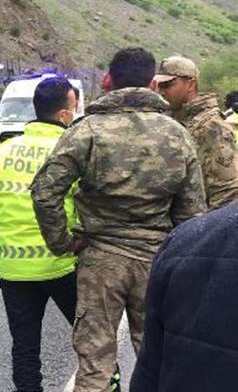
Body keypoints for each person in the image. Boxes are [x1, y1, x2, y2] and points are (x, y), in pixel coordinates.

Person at [30, 48, 207, 392]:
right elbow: (192, 213)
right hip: (157, 262)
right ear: (152, 82)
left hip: (99, 261)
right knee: (159, 360)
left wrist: (63, 243)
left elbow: (44, 192)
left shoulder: (87, 131)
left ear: (109, 80)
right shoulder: (176, 134)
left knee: (96, 365)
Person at [0, 77, 82, 392]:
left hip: (14, 270)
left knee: (25, 349)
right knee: (92, 341)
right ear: (65, 114)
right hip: (61, 264)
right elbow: (86, 209)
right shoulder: (72, 152)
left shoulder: (1, 152)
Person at [130, 201, 238, 392]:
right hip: (151, 245)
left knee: (97, 350)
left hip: (105, 254)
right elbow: (189, 202)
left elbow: (149, 374)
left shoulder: (186, 240)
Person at [154, 56, 238, 209]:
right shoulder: (170, 121)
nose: (162, 92)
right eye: (159, 86)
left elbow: (226, 192)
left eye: (168, 85)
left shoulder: (212, 126)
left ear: (190, 84)